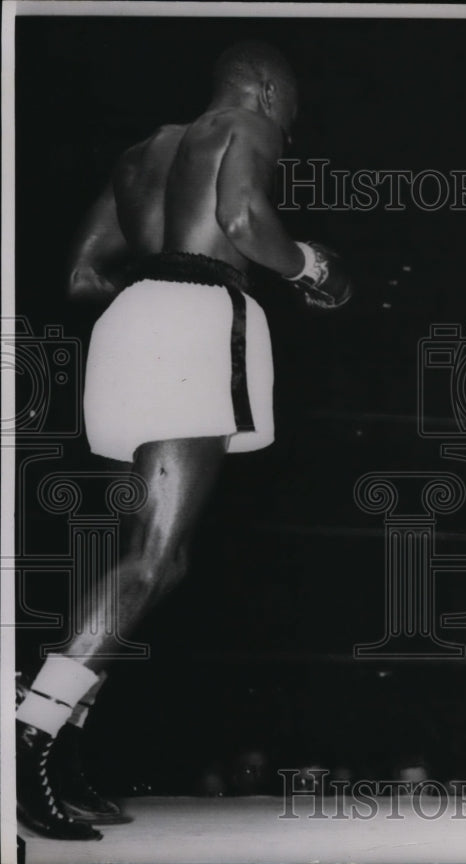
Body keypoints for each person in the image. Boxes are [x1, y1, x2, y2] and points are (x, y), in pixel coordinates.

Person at [16, 41, 353, 840]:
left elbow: (82, 276)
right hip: (196, 321)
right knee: (154, 559)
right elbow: (241, 220)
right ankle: (29, 729)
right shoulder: (246, 123)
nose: (291, 125)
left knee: (150, 562)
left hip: (125, 328)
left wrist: (153, 300)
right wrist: (311, 268)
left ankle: (61, 748)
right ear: (267, 89)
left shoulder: (143, 153)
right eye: (292, 107)